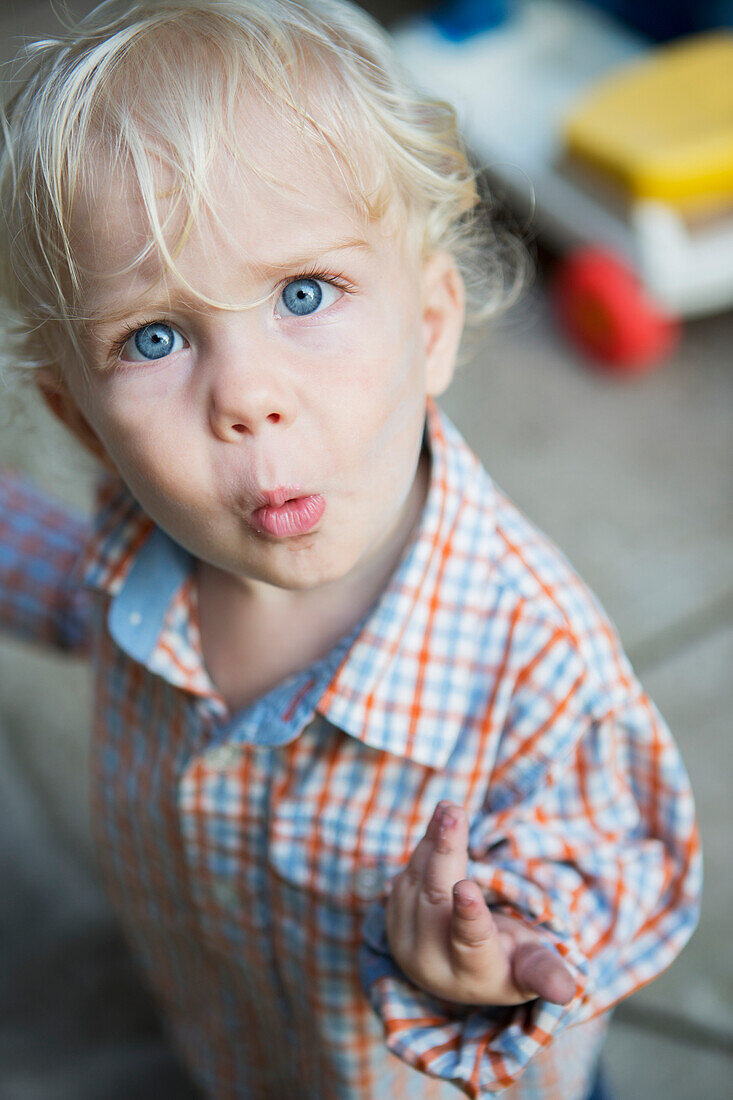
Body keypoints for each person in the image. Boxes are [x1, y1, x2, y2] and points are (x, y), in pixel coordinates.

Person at [0, 1, 701, 1097]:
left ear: (427, 326)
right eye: (155, 335)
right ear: (85, 421)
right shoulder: (138, 543)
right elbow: (72, 586)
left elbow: (602, 882)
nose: (246, 395)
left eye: (303, 293)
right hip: (238, 1047)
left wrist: (487, 962)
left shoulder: (535, 664)